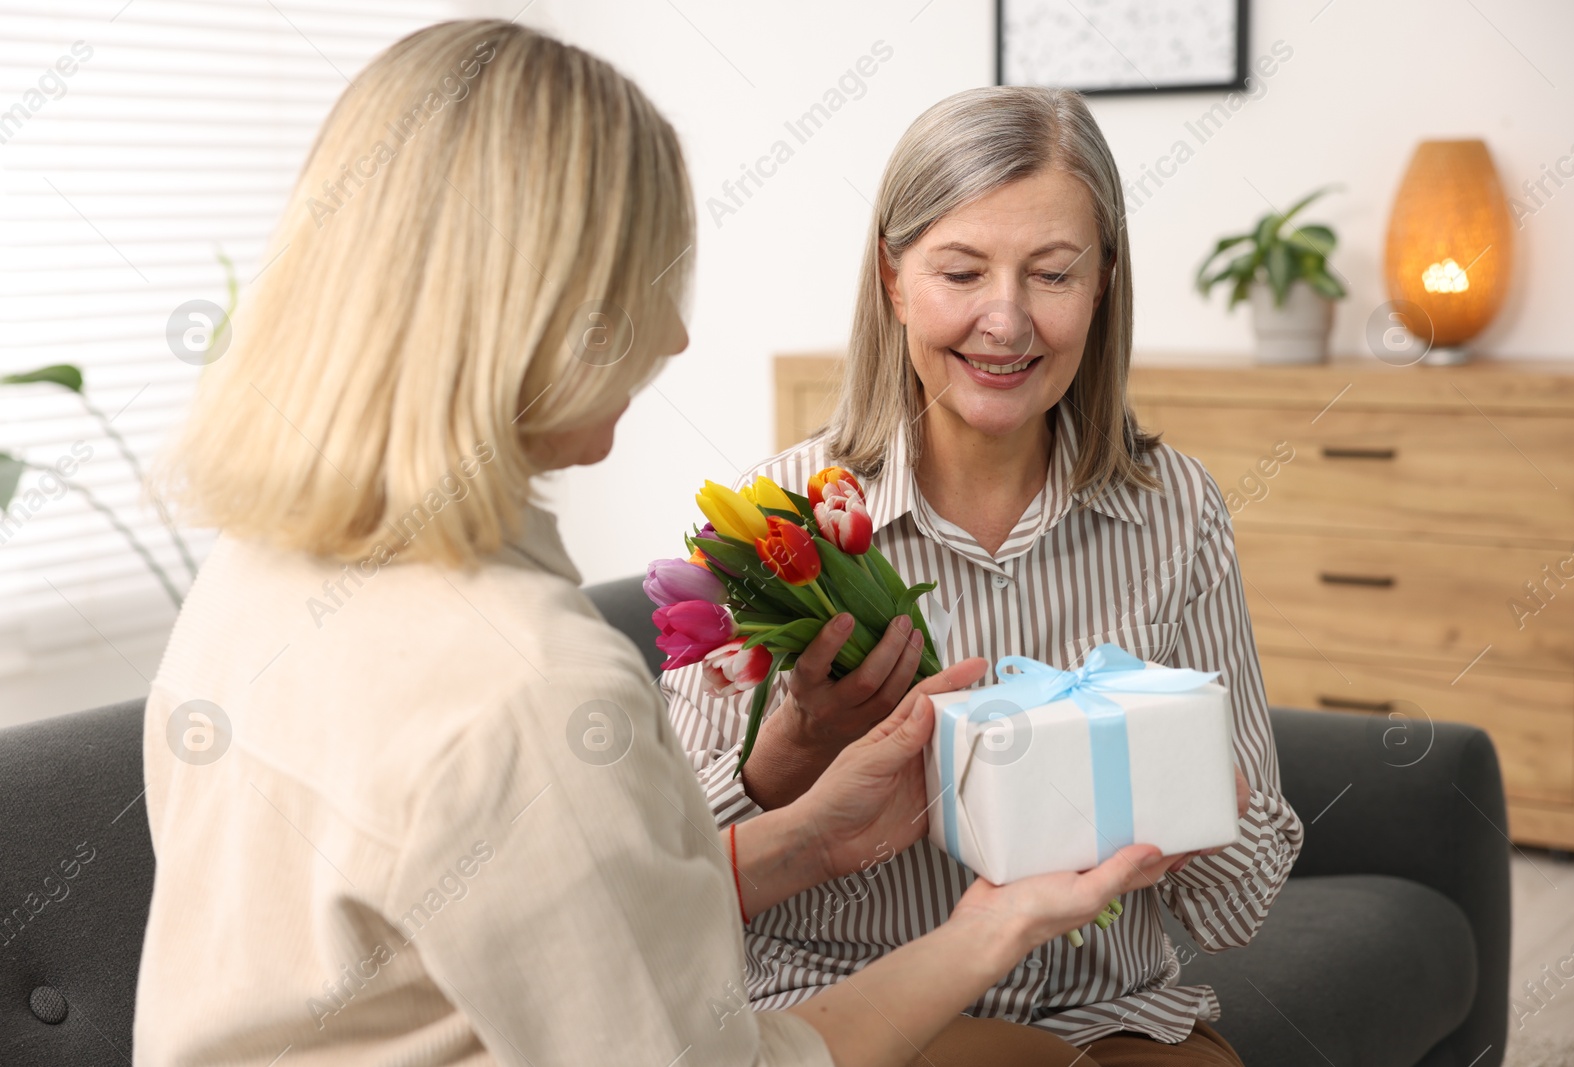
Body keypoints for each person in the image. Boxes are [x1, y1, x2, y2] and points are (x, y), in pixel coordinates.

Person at [135, 22, 1186, 1066]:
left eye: (1051, 272)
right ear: (543, 309)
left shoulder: (253, 577)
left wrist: (807, 836)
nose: (675, 338)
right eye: (650, 283)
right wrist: (992, 924)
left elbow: (533, 920)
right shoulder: (531, 688)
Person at [665, 86, 1305, 1065]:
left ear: (1102, 285)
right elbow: (657, 879)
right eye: (960, 272)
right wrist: (786, 750)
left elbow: (1237, 908)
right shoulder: (781, 520)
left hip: (1113, 1009)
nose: (1004, 320)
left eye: (1052, 274)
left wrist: (1201, 801)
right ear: (891, 279)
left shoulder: (1175, 507)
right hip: (853, 1004)